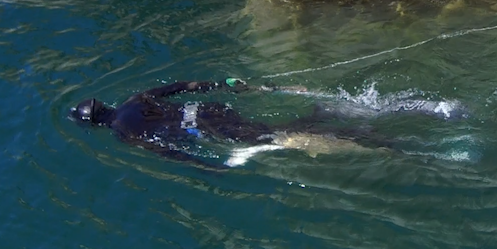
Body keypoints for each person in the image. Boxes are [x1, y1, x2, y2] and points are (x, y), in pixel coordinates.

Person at [70, 78, 388, 169]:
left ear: (97, 123)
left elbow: (164, 151)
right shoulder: (135, 99)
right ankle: (327, 113)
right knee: (265, 128)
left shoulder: (123, 133)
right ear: (106, 105)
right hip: (210, 110)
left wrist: (203, 165)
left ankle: (357, 139)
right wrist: (227, 84)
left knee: (274, 136)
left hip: (204, 129)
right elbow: (184, 86)